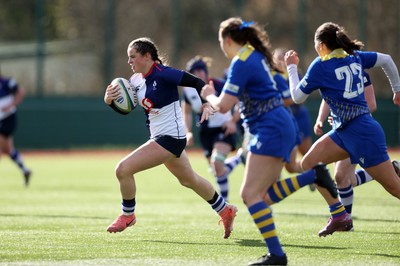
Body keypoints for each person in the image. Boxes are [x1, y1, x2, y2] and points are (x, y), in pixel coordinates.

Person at [201, 17, 338, 266]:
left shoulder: (241, 61)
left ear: (227, 40)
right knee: (261, 197)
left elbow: (222, 105)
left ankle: (277, 255)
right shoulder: (252, 55)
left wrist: (209, 96)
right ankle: (312, 177)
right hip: (274, 125)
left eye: (221, 41)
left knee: (250, 195)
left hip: (270, 127)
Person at [103, 37, 237, 239]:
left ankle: (128, 215)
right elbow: (125, 109)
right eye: (128, 58)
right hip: (161, 138)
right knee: (189, 180)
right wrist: (109, 99)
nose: (129, 62)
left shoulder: (164, 74)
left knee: (123, 169)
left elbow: (197, 82)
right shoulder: (135, 81)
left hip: (171, 139)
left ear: (147, 56)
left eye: (133, 57)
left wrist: (206, 102)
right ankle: (225, 210)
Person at [285, 22, 400, 237]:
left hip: (362, 133)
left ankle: (341, 212)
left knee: (395, 188)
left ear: (321, 45)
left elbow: (296, 97)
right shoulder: (354, 56)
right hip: (343, 132)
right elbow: (387, 60)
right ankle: (339, 215)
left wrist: (291, 67)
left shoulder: (321, 65)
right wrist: (397, 90)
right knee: (309, 164)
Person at [182, 55, 238, 201]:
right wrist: (188, 132)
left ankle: (225, 204)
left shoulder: (219, 85)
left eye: (201, 70)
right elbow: (186, 111)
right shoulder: (188, 92)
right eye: (194, 71)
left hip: (224, 129)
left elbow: (239, 102)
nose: (198, 74)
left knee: (217, 163)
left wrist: (232, 121)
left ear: (206, 71)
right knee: (217, 170)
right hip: (205, 132)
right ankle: (238, 159)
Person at [0, 68, 31, 186]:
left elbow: (21, 92)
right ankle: (25, 169)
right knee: (8, 150)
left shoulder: (7, 82)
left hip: (7, 119)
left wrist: (11, 105)